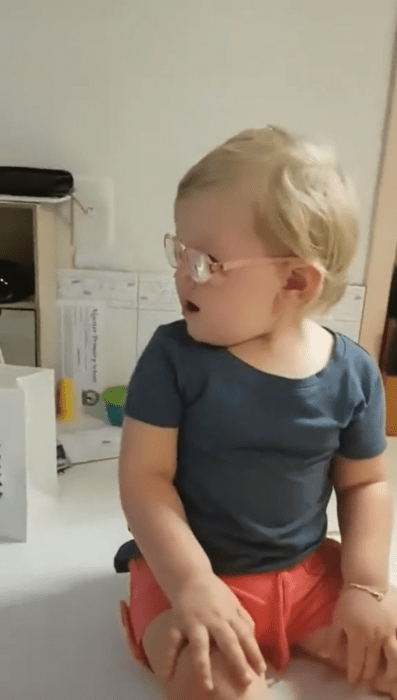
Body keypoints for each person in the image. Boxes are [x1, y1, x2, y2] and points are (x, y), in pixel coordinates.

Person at [115, 126, 397, 700]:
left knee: (387, 652)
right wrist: (191, 583)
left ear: (295, 280)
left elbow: (366, 483)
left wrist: (366, 587)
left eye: (205, 263)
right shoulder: (173, 359)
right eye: (180, 253)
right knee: (209, 683)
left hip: (308, 576)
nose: (179, 275)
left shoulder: (353, 373)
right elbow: (144, 481)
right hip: (187, 576)